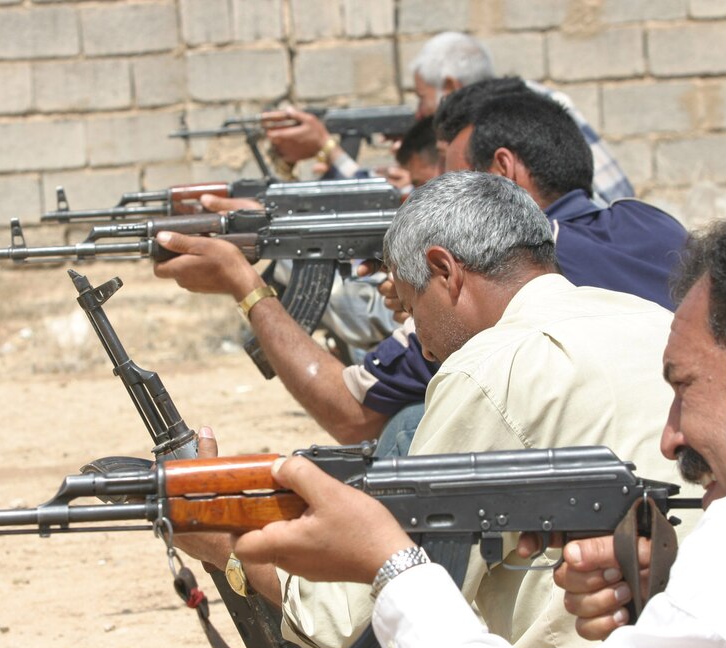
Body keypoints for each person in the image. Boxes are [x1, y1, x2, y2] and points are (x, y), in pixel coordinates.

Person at [232, 203, 726, 648]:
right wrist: (671, 590)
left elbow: (340, 620)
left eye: (688, 389)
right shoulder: (637, 313)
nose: (670, 440)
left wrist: (391, 568)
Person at [155, 85, 686, 452]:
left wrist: (245, 285)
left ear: (501, 171)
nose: (429, 186)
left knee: (407, 428)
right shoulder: (651, 225)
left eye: (449, 174)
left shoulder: (503, 277)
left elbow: (349, 413)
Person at [268, 31, 633, 204]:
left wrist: (329, 150)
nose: (418, 112)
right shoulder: (533, 101)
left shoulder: (541, 104)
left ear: (451, 85)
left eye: (422, 98)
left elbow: (616, 198)